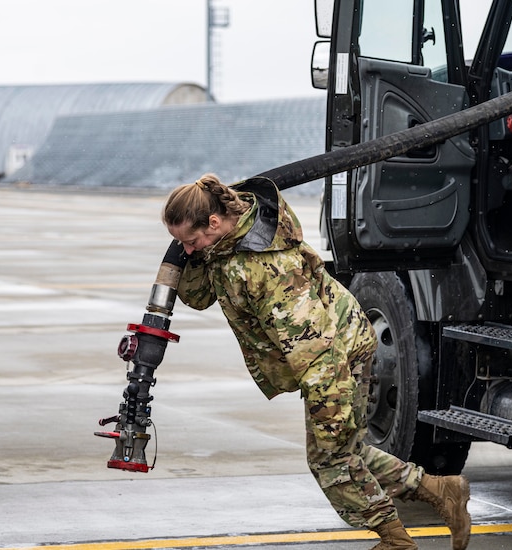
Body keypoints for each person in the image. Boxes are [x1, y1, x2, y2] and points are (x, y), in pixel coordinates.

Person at [162, 173, 471, 550]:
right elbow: (198, 297)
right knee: (345, 451)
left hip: (336, 355)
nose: (189, 250)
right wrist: (184, 254)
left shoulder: (268, 267)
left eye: (191, 242)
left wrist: (331, 408)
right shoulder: (224, 244)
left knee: (330, 460)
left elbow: (315, 346)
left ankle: (394, 540)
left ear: (213, 222)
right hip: (328, 350)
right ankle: (442, 490)